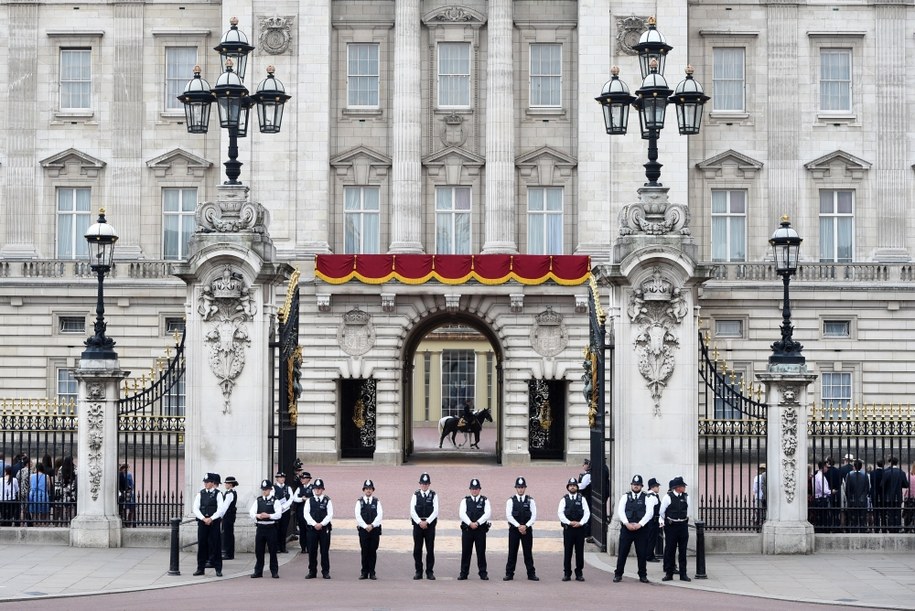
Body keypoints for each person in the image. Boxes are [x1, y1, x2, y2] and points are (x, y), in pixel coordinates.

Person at [613, 474, 655, 584]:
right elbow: (621, 511)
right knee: (622, 552)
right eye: (634, 484)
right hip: (627, 529)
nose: (636, 486)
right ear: (631, 485)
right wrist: (627, 524)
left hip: (641, 530)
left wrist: (640, 524)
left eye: (638, 485)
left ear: (642, 486)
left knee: (641, 553)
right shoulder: (625, 497)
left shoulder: (647, 497)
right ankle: (618, 574)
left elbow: (649, 513)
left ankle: (642, 575)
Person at [504, 476, 538, 581]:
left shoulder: (530, 500)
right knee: (512, 552)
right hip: (514, 530)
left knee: (528, 552)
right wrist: (518, 526)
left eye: (522, 487)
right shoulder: (511, 501)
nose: (520, 489)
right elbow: (509, 515)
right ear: (516, 488)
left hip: (527, 530)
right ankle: (509, 574)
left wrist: (525, 526)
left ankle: (531, 574)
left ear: (525, 488)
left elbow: (534, 515)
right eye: (519, 487)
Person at [192, 473, 226, 577]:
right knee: (202, 545)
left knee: (215, 545)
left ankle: (218, 569)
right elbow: (195, 508)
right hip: (202, 523)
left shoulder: (218, 494)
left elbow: (220, 509)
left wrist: (211, 518)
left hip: (214, 522)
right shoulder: (200, 494)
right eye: (205, 482)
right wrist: (203, 518)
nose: (205, 484)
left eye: (207, 482)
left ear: (212, 483)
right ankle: (200, 568)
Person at [458, 478, 491, 581]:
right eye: (472, 489)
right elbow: (462, 514)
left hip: (480, 530)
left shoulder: (485, 500)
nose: (474, 490)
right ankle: (464, 573)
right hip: (468, 530)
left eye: (476, 489)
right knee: (466, 552)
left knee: (481, 552)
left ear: (479, 489)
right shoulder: (465, 500)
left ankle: (483, 573)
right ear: (470, 489)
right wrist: (470, 523)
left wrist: (477, 523)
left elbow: (487, 513)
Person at [660, 476, 691, 582]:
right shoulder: (667, 497)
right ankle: (669, 573)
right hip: (671, 526)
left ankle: (683, 574)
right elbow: (662, 511)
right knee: (670, 550)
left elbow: (688, 510)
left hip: (682, 525)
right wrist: (666, 522)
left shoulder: (686, 497)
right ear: (677, 487)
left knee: (682, 551)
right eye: (683, 486)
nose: (684, 488)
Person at [558, 477, 589, 582]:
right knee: (568, 552)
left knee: (579, 552)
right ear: (568, 487)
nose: (572, 487)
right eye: (570, 485)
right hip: (569, 529)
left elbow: (587, 513)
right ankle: (567, 573)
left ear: (577, 487)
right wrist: (569, 522)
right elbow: (560, 513)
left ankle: (579, 573)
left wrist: (580, 523)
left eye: (574, 485)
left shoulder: (582, 499)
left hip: (579, 529)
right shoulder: (564, 499)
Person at [250, 479, 282, 579]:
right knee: (259, 551)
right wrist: (258, 516)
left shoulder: (275, 500)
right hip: (260, 528)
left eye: (266, 489)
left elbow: (278, 514)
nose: (264, 491)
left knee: (272, 551)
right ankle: (258, 571)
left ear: (270, 489)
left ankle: (274, 571)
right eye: (263, 489)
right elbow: (251, 512)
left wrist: (268, 515)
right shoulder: (258, 500)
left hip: (271, 527)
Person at [410, 472, 438, 580]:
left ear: (429, 484)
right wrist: (419, 522)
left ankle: (429, 572)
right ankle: (418, 571)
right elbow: (412, 510)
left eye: (426, 483)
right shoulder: (415, 495)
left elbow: (435, 511)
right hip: (418, 525)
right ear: (419, 484)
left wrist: (427, 522)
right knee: (417, 549)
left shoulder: (434, 495)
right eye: (422, 483)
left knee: (430, 549)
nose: (424, 485)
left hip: (429, 526)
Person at [304, 478, 334, 579]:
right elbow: (306, 514)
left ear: (323, 489)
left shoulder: (327, 500)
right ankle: (312, 571)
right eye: (316, 488)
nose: (318, 490)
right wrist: (314, 524)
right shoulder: (309, 501)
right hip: (312, 529)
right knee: (312, 551)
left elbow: (330, 514)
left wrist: (321, 524)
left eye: (320, 488)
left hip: (324, 529)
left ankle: (325, 571)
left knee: (324, 551)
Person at [355, 479, 383, 580]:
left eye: (370, 489)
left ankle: (372, 572)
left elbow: (380, 515)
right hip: (363, 530)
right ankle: (364, 572)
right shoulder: (359, 502)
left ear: (373, 490)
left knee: (372, 551)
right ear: (363, 490)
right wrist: (365, 526)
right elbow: (358, 515)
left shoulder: (377, 501)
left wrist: (372, 525)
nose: (368, 491)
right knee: (364, 551)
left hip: (374, 530)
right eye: (366, 489)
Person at [882, 456, 910, 531]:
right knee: (897, 512)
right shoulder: (901, 472)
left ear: (890, 462)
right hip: (898, 495)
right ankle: (897, 527)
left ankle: (891, 527)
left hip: (888, 495)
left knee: (890, 512)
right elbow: (906, 485)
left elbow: (882, 485)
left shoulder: (886, 472)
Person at [292, 471, 314, 553]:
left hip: (310, 512)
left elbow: (315, 498)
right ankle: (303, 547)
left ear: (308, 479)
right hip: (301, 511)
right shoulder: (299, 488)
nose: (302, 480)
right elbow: (294, 498)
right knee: (302, 529)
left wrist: (307, 499)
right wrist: (302, 499)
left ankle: (310, 546)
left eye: (304, 478)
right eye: (301, 478)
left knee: (309, 529)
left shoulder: (313, 488)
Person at [844, 459, 869, 531]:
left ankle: (854, 529)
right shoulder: (865, 475)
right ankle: (862, 529)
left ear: (854, 466)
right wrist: (864, 496)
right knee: (862, 516)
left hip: (852, 499)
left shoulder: (849, 475)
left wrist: (849, 497)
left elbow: (847, 489)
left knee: (853, 516)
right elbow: (867, 488)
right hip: (862, 499)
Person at [273, 472, 293, 553]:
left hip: (285, 511)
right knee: (277, 529)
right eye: (280, 477)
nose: (282, 479)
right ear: (277, 478)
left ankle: (283, 547)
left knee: (284, 529)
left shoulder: (288, 488)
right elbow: (272, 498)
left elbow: (291, 499)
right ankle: (277, 547)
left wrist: (284, 507)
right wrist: (278, 508)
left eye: (283, 477)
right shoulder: (273, 488)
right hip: (277, 511)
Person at [221, 476, 239, 560]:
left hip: (228, 515)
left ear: (230, 484)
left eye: (227, 483)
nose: (225, 484)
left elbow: (225, 506)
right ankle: (229, 552)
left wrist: (220, 515)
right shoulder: (231, 492)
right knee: (229, 533)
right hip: (230, 515)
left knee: (227, 534)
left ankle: (228, 553)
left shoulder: (230, 494)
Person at [55, 456, 77, 522]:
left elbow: (58, 478)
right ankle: (70, 519)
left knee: (65, 505)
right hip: (72, 489)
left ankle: (64, 520)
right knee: (72, 506)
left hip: (63, 488)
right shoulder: (75, 468)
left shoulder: (61, 468)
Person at [645, 478, 662, 562]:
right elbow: (650, 511)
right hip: (652, 521)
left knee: (652, 538)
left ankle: (650, 554)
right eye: (657, 486)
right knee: (651, 538)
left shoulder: (654, 496)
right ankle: (649, 555)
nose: (658, 488)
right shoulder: (651, 497)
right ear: (652, 487)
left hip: (654, 520)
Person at [812, 460, 831, 532]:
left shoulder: (816, 476)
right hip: (821, 499)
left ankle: (820, 529)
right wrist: (831, 491)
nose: (827, 468)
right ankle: (823, 530)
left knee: (819, 517)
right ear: (823, 467)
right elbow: (824, 490)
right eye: (826, 467)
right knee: (823, 518)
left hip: (817, 498)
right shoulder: (820, 477)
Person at [871, 459, 885, 532]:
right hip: (883, 494)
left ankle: (876, 528)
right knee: (883, 511)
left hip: (875, 493)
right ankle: (883, 527)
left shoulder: (873, 472)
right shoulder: (886, 472)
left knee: (875, 511)